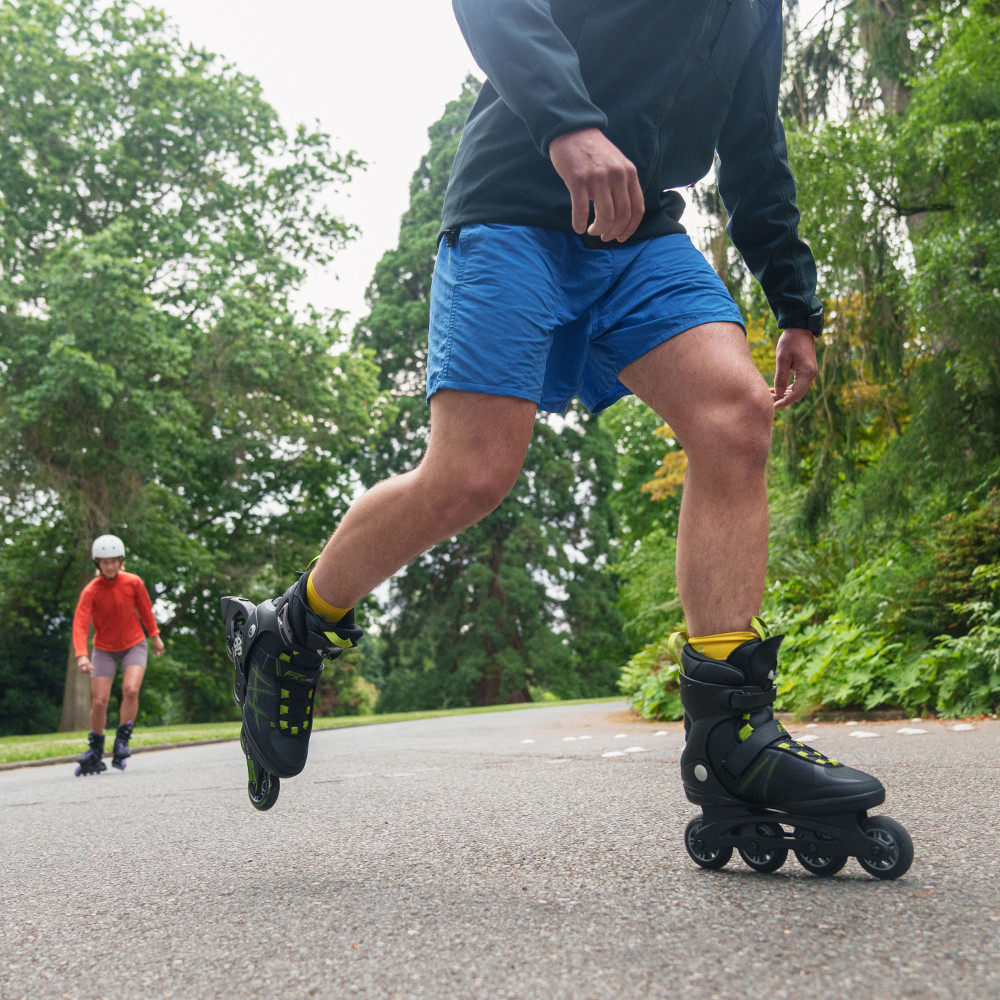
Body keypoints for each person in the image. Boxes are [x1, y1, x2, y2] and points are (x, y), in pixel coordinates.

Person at [222, 0, 911, 873]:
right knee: (471, 474)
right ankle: (291, 625)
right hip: (518, 197)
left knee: (735, 418)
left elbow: (753, 142)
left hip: (641, 229)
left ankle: (732, 736)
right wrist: (568, 125)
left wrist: (795, 299)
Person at [72, 534, 164, 775]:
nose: (110, 566)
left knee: (131, 690)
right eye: (105, 562)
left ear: (121, 561)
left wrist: (155, 636)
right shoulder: (91, 590)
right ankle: (95, 748)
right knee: (100, 701)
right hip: (103, 649)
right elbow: (80, 624)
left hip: (135, 644)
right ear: (98, 564)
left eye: (114, 561)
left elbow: (145, 610)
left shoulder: (133, 582)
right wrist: (81, 654)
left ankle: (122, 739)